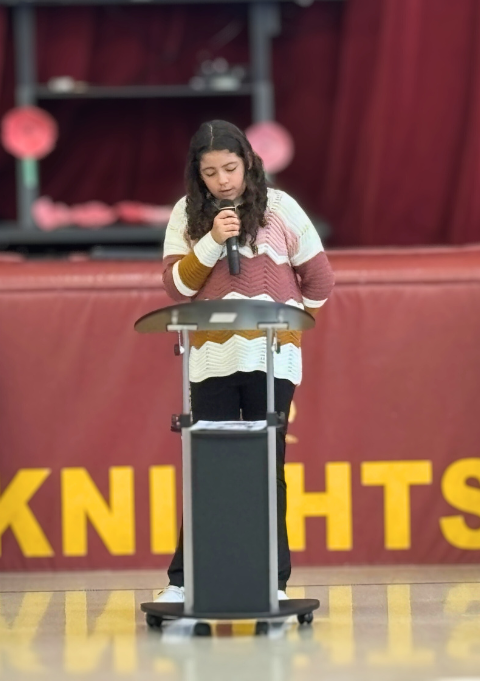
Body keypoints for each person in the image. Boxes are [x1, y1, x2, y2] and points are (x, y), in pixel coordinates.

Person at [155, 120, 335, 604]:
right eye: (211, 172)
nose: (223, 181)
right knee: (207, 466)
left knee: (265, 466)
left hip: (271, 356)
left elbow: (319, 279)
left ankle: (273, 580)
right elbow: (177, 287)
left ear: (249, 163)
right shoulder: (185, 215)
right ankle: (183, 581)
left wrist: (294, 326)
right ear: (198, 175)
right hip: (210, 356)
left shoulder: (280, 208)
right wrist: (213, 239)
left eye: (231, 168)